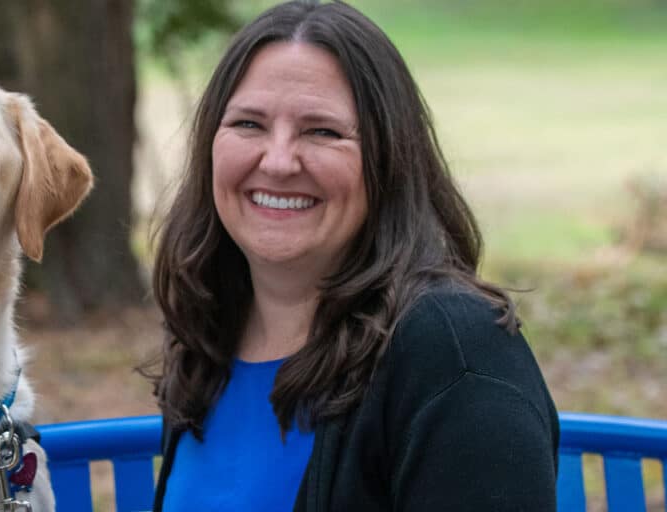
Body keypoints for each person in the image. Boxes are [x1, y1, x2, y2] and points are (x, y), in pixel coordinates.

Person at [147, 1, 559, 510]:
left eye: (322, 131)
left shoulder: (457, 356)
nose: (277, 161)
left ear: (389, 158)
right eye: (249, 124)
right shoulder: (207, 337)